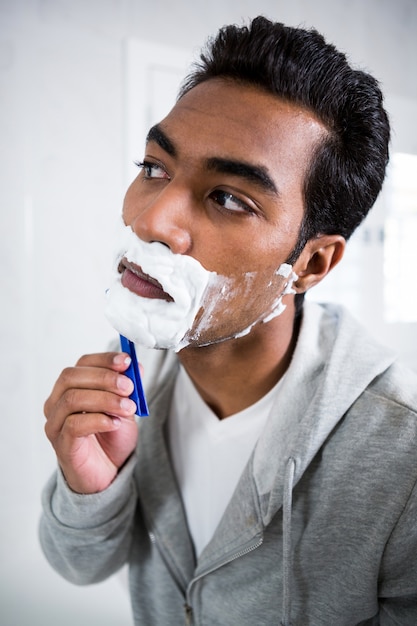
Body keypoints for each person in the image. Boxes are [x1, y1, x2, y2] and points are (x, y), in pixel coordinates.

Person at [39, 15, 417, 626]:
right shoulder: (131, 365)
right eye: (154, 167)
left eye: (229, 198)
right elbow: (78, 565)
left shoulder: (404, 455)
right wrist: (91, 487)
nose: (153, 221)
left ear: (314, 261)